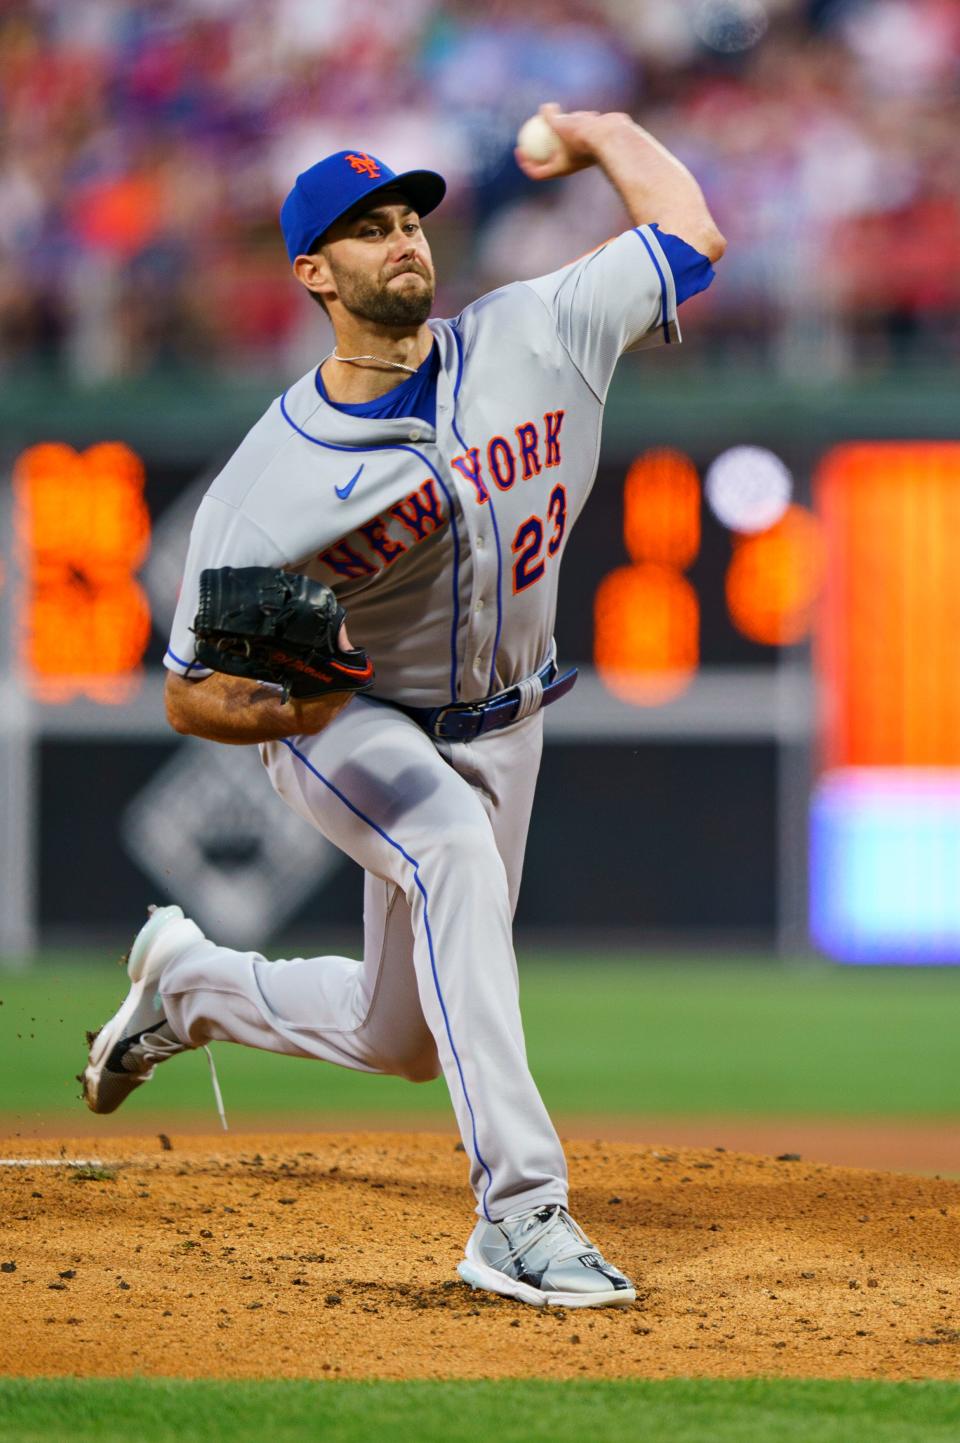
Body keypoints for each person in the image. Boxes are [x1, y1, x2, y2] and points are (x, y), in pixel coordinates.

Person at [82, 104, 725, 1309]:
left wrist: (604, 130)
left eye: (410, 221)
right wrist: (285, 714)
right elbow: (190, 693)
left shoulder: (538, 330)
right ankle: (522, 1214)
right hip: (358, 727)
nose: (404, 243)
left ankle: (190, 987)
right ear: (315, 273)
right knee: (449, 854)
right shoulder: (273, 483)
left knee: (403, 1040)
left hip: (511, 723)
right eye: (368, 231)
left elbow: (689, 232)